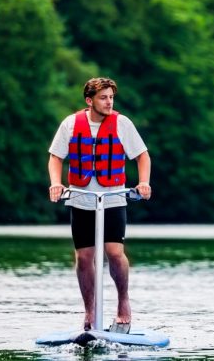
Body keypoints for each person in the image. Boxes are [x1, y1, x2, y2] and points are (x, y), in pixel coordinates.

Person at [47, 77, 152, 333]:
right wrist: (56, 183)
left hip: (113, 198)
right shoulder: (71, 124)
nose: (109, 102)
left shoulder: (122, 124)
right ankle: (90, 311)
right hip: (81, 198)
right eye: (103, 97)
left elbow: (142, 156)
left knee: (114, 253)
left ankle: (123, 303)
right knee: (84, 258)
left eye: (111, 97)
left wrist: (144, 183)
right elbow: (55, 158)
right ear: (89, 100)